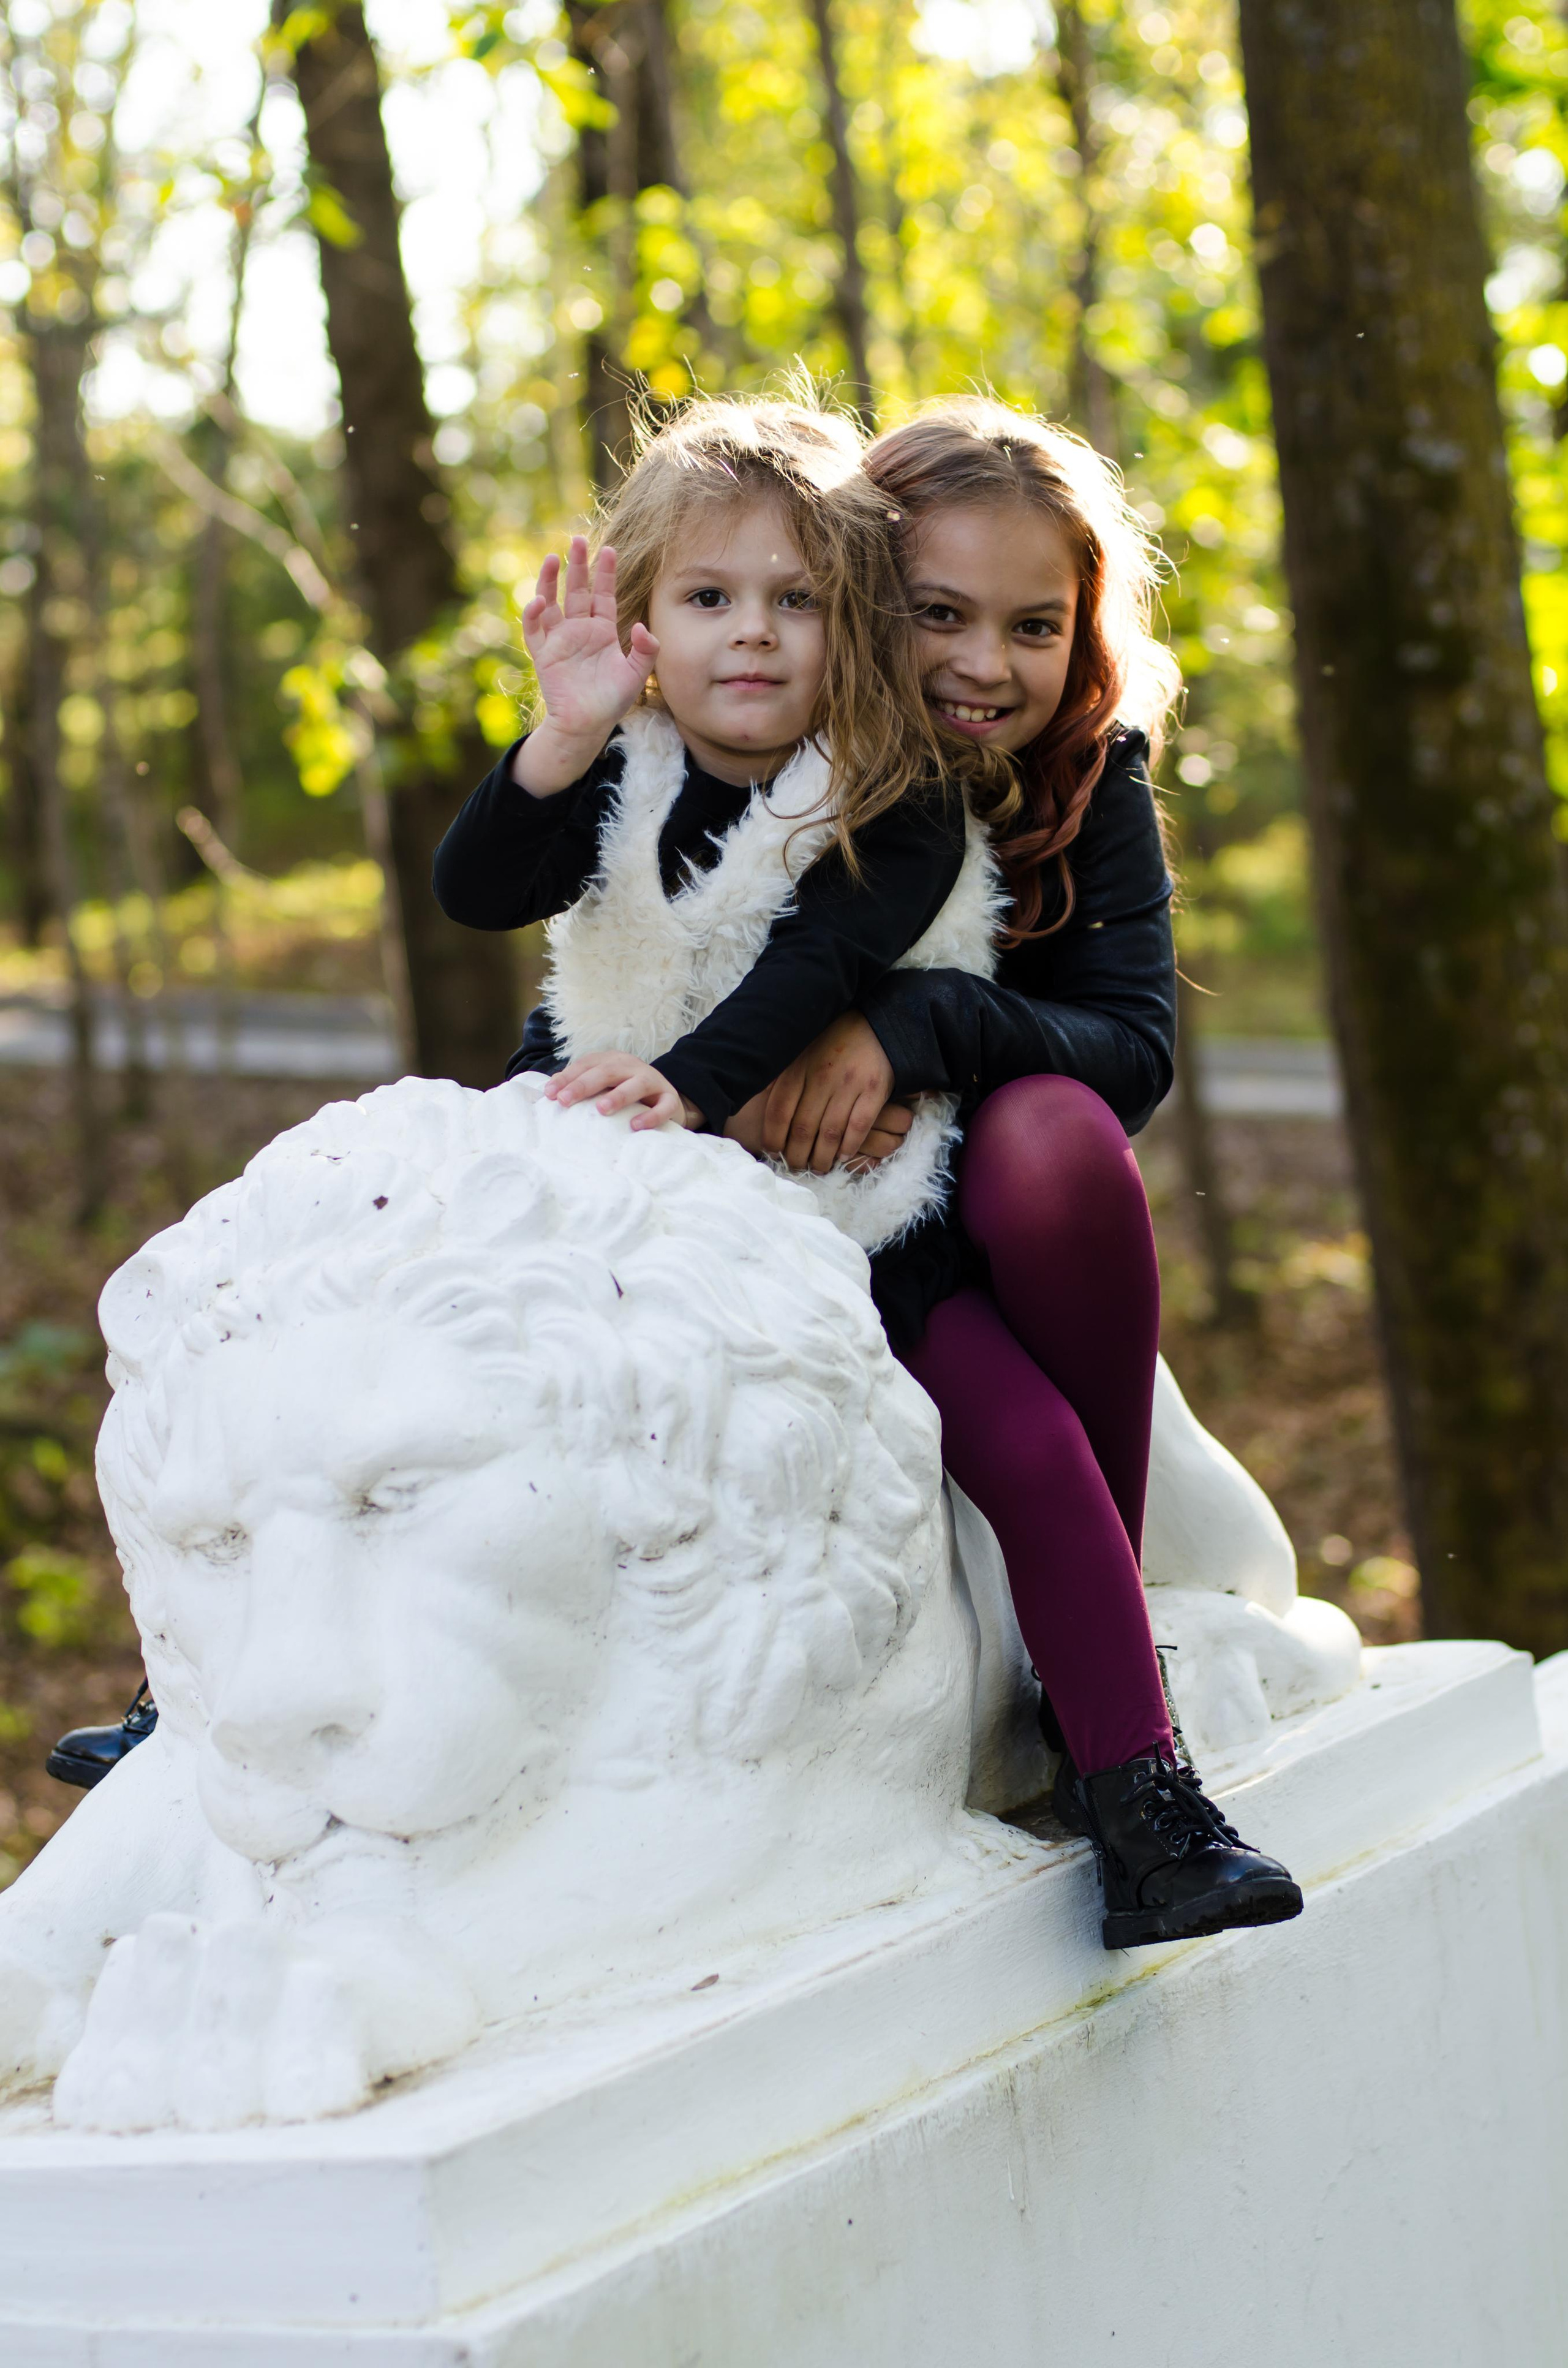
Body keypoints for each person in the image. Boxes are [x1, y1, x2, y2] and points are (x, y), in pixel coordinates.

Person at [714, 397, 1305, 1951]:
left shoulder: (1082, 778)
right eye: (938, 615)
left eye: (1032, 624)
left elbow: (1131, 1046)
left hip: (974, 1221)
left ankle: (1124, 1760)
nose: (987, 662)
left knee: (1054, 1143)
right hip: (792, 1226)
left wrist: (912, 1028)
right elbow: (611, 960)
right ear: (858, 601)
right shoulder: (758, 753)